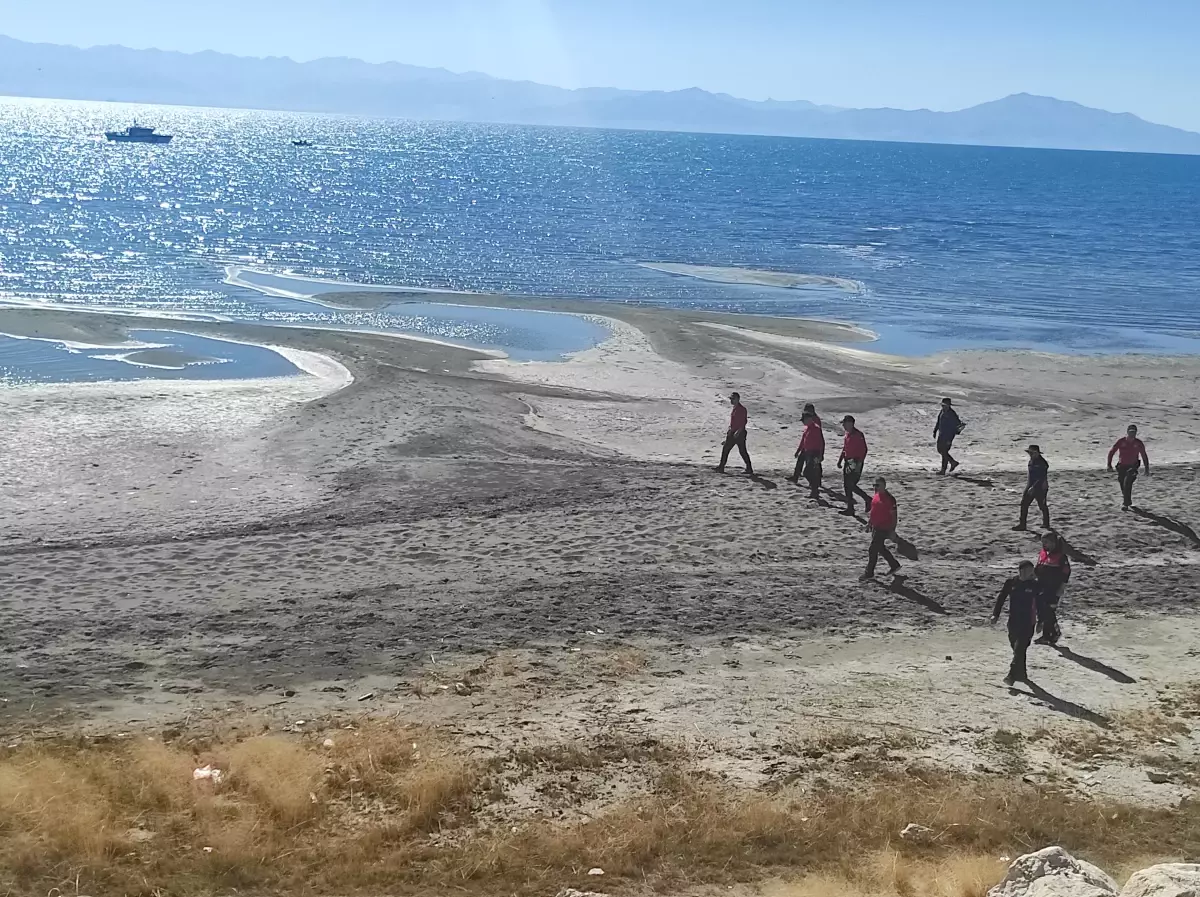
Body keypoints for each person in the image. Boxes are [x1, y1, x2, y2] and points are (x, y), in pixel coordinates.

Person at [992, 560, 1042, 685]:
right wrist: (995, 614)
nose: (1030, 573)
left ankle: (1011, 675)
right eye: (1028, 570)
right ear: (1021, 571)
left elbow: (1041, 604)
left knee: (1020, 648)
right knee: (1016, 648)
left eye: (1032, 570)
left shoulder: (1035, 585)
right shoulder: (1011, 583)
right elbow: (1001, 598)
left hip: (1028, 622)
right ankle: (1022, 674)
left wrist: (1041, 621)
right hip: (1013, 621)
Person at [1034, 531, 1071, 646]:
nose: (1044, 545)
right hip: (1041, 586)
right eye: (1042, 542)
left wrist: (1061, 588)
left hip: (1053, 588)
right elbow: (1038, 568)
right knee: (1042, 610)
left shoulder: (1061, 557)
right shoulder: (1043, 553)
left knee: (1049, 610)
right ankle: (1047, 635)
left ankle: (1054, 633)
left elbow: (1066, 573)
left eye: (1046, 542)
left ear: (1054, 543)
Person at [860, 477, 901, 581]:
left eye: (877, 485)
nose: (875, 488)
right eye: (874, 485)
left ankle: (869, 573)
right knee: (880, 548)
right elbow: (873, 511)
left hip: (884, 527)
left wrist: (892, 530)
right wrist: (869, 524)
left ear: (884, 485)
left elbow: (894, 515)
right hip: (876, 527)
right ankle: (894, 565)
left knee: (872, 550)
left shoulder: (889, 499)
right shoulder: (876, 496)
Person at [1107, 424, 1151, 510]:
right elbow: (1111, 452)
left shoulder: (1138, 443)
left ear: (1136, 433)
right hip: (1122, 466)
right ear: (1127, 432)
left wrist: (1147, 469)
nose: (1132, 434)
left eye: (1134, 432)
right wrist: (1109, 464)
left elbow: (1144, 456)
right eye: (1130, 432)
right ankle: (1128, 501)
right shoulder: (1121, 441)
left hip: (1133, 466)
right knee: (1122, 483)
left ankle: (1125, 504)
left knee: (1127, 483)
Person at [838, 415, 872, 516]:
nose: (843, 425)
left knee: (851, 484)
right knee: (847, 486)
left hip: (856, 462)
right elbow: (845, 449)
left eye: (845, 423)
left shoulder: (858, 435)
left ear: (850, 423)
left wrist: (859, 463)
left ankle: (867, 499)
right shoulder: (847, 434)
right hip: (848, 462)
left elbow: (864, 450)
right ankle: (850, 508)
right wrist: (840, 460)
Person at [1014, 444, 1051, 532]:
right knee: (1024, 504)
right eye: (1030, 453)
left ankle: (1046, 523)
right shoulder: (1032, 461)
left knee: (1042, 505)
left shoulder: (1042, 463)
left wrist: (1034, 487)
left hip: (1040, 487)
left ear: (1037, 453)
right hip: (1030, 485)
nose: (1030, 454)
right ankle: (1022, 524)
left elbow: (1041, 477)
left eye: (1032, 453)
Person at [716, 392, 753, 475]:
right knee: (726, 449)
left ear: (738, 399)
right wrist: (729, 431)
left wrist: (738, 431)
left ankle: (749, 468)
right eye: (731, 399)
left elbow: (743, 422)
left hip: (739, 433)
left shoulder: (742, 409)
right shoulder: (735, 408)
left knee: (742, 451)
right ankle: (721, 467)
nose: (731, 400)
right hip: (733, 432)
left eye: (733, 399)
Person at [797, 407, 825, 499]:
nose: (803, 422)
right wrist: (799, 450)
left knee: (808, 472)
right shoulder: (807, 428)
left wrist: (821, 455)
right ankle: (814, 490)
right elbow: (803, 441)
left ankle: (815, 489)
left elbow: (821, 443)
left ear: (809, 419)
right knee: (811, 472)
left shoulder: (816, 429)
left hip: (815, 453)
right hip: (808, 452)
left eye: (804, 420)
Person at [934, 398, 963, 475]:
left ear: (949, 406)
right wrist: (935, 431)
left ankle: (943, 470)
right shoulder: (942, 411)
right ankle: (952, 462)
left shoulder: (952, 414)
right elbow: (938, 422)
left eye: (945, 405)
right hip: (941, 434)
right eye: (942, 405)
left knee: (944, 451)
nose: (943, 407)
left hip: (948, 436)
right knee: (940, 450)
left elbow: (956, 426)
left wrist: (950, 438)